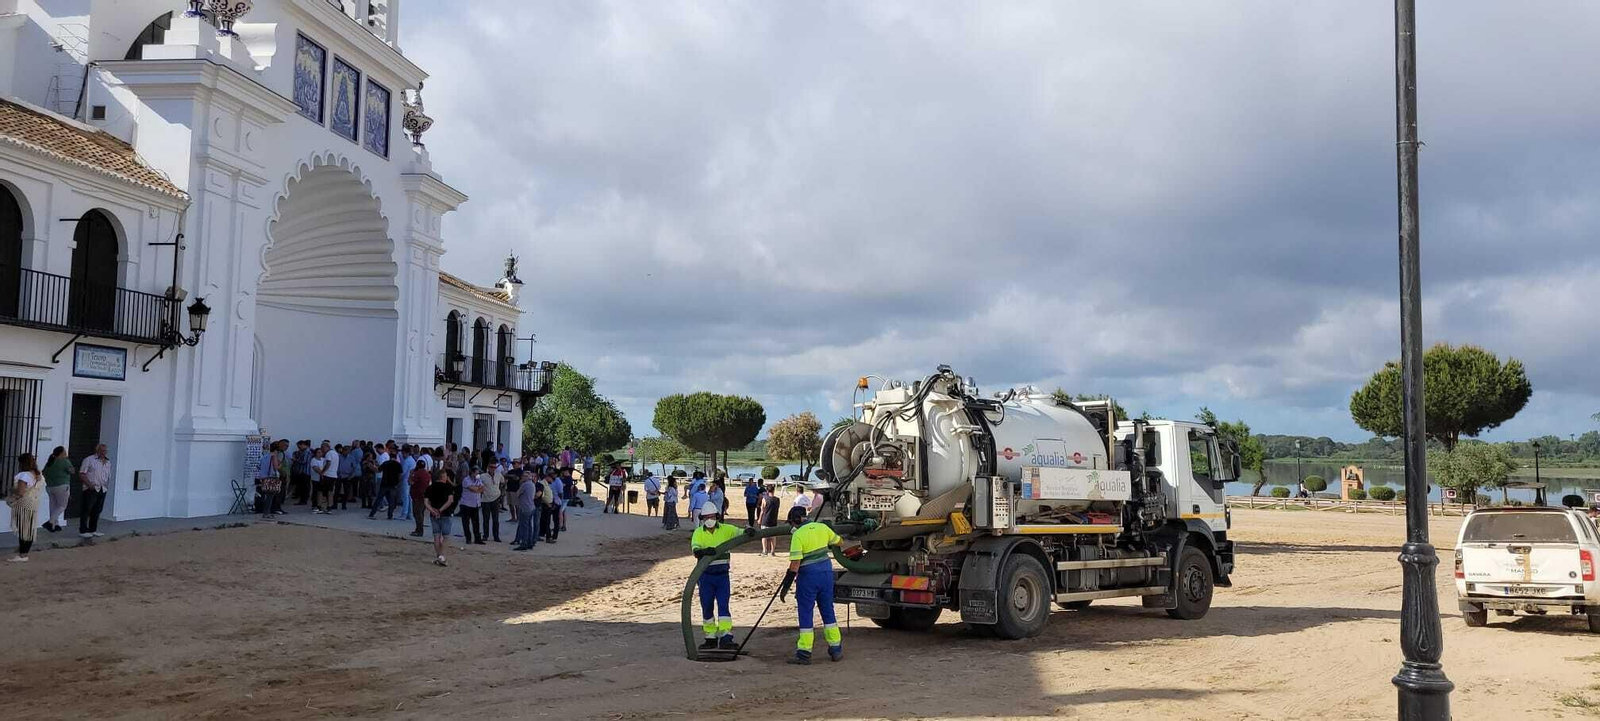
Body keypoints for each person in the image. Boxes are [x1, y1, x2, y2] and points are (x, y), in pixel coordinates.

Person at [781, 506, 844, 664]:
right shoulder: (822, 528)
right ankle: (835, 648)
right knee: (828, 610)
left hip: (808, 577)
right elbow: (840, 541)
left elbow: (795, 564)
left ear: (794, 521)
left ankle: (804, 652)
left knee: (806, 612)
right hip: (826, 574)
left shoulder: (798, 535)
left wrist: (786, 586)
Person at [690, 501, 742, 650]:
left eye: (712, 517)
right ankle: (710, 637)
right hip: (705, 576)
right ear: (702, 518)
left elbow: (741, 533)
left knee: (723, 605)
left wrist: (749, 531)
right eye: (706, 517)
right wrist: (704, 552)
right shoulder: (698, 533)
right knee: (707, 606)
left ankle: (726, 636)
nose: (709, 520)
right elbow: (695, 550)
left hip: (722, 576)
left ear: (717, 516)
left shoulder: (726, 530)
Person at [9, 453, 46, 561]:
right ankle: (24, 552)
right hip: (34, 504)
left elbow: (20, 492)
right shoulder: (38, 475)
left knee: (22, 529)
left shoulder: (24, 475)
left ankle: (22, 554)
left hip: (23, 504)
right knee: (29, 529)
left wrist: (11, 489)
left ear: (22, 463)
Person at [78, 443, 113, 538]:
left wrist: (106, 485)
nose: (103, 452)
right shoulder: (89, 460)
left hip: (102, 488)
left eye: (105, 451)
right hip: (91, 488)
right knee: (86, 509)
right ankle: (83, 530)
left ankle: (93, 529)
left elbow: (108, 475)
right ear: (97, 451)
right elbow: (82, 473)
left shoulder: (108, 462)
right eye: (101, 450)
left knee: (97, 510)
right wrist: (89, 485)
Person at [424, 468, 457, 566]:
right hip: (446, 513)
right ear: (443, 477)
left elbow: (426, 502)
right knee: (445, 536)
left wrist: (432, 510)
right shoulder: (448, 487)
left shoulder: (430, 487)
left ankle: (438, 556)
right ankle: (441, 556)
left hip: (434, 514)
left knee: (436, 536)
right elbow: (450, 500)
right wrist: (441, 510)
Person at [40, 446, 71, 533]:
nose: (66, 453)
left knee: (53, 506)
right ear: (61, 453)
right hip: (61, 486)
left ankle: (55, 525)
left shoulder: (50, 462)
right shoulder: (64, 461)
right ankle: (50, 522)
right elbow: (71, 471)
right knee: (62, 506)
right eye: (65, 452)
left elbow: (43, 472)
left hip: (50, 487)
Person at [512, 470, 542, 551]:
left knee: (524, 527)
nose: (521, 478)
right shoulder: (532, 484)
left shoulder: (524, 485)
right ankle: (530, 543)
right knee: (529, 526)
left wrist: (520, 484)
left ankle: (524, 544)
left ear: (525, 477)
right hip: (531, 507)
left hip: (525, 508)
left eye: (523, 476)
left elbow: (518, 494)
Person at [370, 451, 404, 520]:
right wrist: (398, 483)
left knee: (379, 499)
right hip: (393, 484)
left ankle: (372, 513)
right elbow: (400, 475)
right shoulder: (398, 465)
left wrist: (372, 467)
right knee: (391, 501)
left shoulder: (386, 463)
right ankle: (390, 515)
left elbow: (378, 470)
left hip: (384, 483)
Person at [480, 459, 504, 543]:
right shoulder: (482, 476)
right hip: (485, 500)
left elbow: (503, 482)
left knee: (496, 519)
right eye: (491, 467)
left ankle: (496, 536)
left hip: (495, 500)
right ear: (488, 467)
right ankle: (485, 535)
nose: (493, 469)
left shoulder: (499, 475)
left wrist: (500, 493)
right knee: (486, 519)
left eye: (494, 467)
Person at [409, 458, 433, 537]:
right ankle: (418, 529)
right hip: (424, 496)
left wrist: (411, 474)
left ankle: (419, 530)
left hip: (417, 496)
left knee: (417, 513)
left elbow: (410, 482)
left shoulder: (417, 473)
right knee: (421, 513)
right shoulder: (427, 474)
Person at [543, 471, 564, 544]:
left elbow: (560, 493)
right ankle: (549, 535)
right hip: (552, 502)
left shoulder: (558, 482)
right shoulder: (548, 483)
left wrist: (559, 502)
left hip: (555, 502)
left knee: (554, 520)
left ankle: (554, 536)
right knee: (549, 520)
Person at [759, 485, 781, 556]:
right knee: (773, 537)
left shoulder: (765, 499)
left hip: (765, 519)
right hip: (774, 519)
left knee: (764, 536)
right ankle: (773, 551)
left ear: (767, 491)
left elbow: (762, 510)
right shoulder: (777, 500)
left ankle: (765, 550)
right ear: (773, 490)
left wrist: (759, 519)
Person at [309, 446, 331, 514]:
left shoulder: (323, 459)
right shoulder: (313, 460)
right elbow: (316, 468)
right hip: (315, 478)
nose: (320, 453)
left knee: (322, 492)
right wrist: (321, 473)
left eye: (321, 452)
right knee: (315, 492)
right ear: (315, 453)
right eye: (318, 452)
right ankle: (314, 505)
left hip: (323, 478)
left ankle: (320, 505)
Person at [290, 440, 312, 505]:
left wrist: (295, 460)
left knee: (304, 487)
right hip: (303, 472)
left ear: (303, 444)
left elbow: (304, 461)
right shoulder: (304, 452)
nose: (298, 448)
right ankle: (303, 500)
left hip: (304, 472)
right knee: (303, 487)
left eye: (299, 446)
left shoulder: (306, 452)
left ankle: (303, 500)